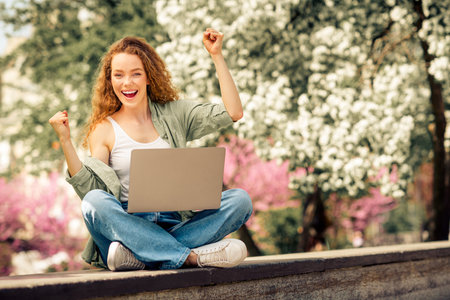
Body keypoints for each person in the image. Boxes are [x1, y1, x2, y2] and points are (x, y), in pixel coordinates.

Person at [49, 28, 253, 271]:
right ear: (110, 79)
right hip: (127, 227)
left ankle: (141, 257)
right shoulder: (103, 129)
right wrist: (65, 141)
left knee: (240, 200)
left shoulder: (175, 114)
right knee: (94, 201)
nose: (127, 83)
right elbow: (93, 192)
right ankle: (189, 257)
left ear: (148, 77)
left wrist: (217, 55)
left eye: (136, 74)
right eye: (119, 75)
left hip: (176, 224)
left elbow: (233, 112)